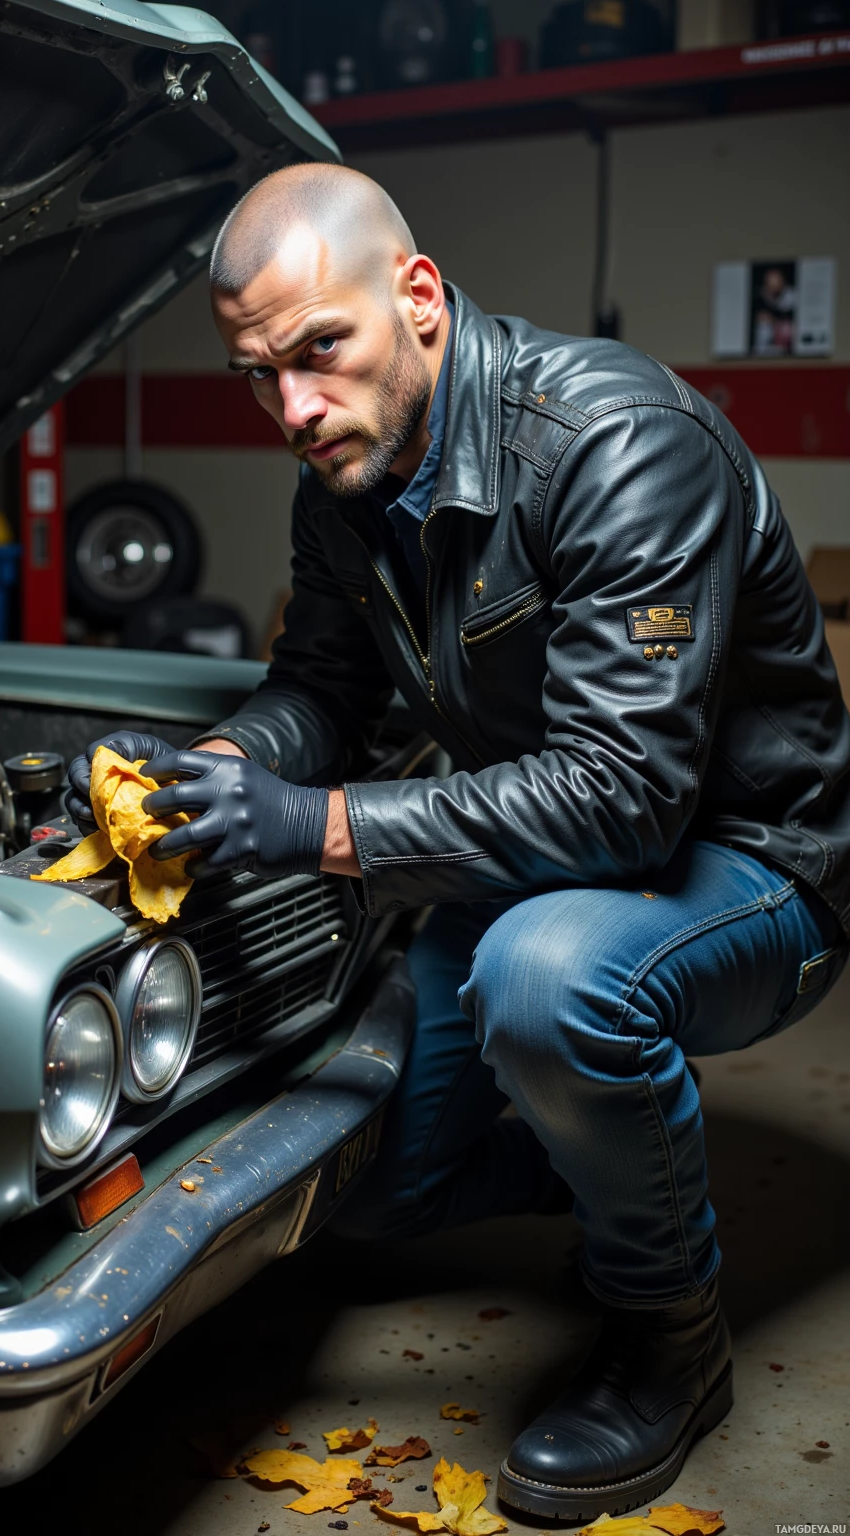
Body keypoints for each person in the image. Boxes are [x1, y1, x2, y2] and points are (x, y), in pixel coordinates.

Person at [67, 163, 850, 1521]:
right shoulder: (346, 475)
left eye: (322, 349)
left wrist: (310, 825)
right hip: (541, 855)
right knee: (373, 1182)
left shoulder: (619, 444)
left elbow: (624, 798)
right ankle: (610, 1156)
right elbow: (320, 689)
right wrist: (227, 766)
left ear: (417, 299)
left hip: (751, 867)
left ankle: (669, 1341)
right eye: (260, 375)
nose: (294, 407)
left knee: (550, 982)